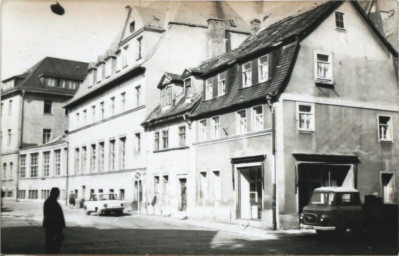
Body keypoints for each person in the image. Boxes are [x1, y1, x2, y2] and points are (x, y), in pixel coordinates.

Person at [43, 187, 65, 254]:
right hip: (52, 224)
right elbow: (50, 214)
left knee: (51, 238)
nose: (58, 195)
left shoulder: (51, 201)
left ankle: (51, 251)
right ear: (54, 193)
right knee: (58, 237)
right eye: (57, 193)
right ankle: (52, 251)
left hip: (52, 224)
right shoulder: (50, 202)